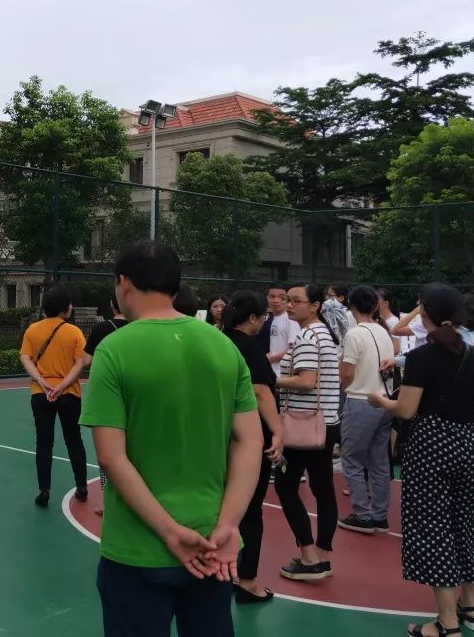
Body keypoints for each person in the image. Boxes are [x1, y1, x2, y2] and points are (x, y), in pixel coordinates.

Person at [81, 241, 262, 637]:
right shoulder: (223, 346)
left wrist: (169, 532)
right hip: (214, 546)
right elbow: (250, 441)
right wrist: (229, 525)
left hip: (137, 549)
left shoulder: (113, 350)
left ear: (123, 283)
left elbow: (111, 457)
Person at [368, 283, 474, 637]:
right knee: (465, 522)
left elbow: (406, 410)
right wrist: (471, 444)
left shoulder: (422, 358)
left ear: (427, 313)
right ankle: (470, 607)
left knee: (432, 528)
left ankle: (446, 623)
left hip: (430, 446)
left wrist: (380, 401)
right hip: (469, 442)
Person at [274, 282, 341, 581]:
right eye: (287, 300)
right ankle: (322, 555)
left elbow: (306, 381)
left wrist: (270, 381)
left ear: (315, 306)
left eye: (296, 301)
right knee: (323, 489)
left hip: (303, 424)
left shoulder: (307, 336)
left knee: (286, 488)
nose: (289, 305)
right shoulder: (323, 333)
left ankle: (309, 556)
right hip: (325, 423)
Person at [222, 290, 283, 604]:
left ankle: (217, 569)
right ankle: (247, 580)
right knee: (249, 509)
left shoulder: (219, 341)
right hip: (248, 437)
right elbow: (260, 392)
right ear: (253, 318)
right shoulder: (248, 347)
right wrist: (278, 431)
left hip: (219, 435)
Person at [19, 285, 89, 508]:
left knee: (44, 442)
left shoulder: (32, 330)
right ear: (64, 308)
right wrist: (62, 386)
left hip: (41, 394)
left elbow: (25, 358)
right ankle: (82, 487)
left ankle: (44, 489)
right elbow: (81, 362)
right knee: (74, 440)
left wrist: (42, 381)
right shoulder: (74, 332)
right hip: (69, 394)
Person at [337, 285, 396, 534]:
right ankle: (379, 515)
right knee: (379, 460)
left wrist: (344, 383)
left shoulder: (354, 334)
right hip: (383, 400)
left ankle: (362, 515)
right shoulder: (383, 331)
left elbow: (347, 373)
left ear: (351, 306)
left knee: (352, 460)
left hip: (361, 400)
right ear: (374, 306)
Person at [82, 297, 129, 515]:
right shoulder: (140, 328)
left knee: (108, 453)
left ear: (112, 305)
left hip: (109, 395)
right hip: (135, 393)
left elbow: (86, 361)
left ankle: (105, 501)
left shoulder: (102, 329)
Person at [259, 283, 300, 376]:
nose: (276, 301)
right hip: (273, 371)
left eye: (281, 297)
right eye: (272, 296)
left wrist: (271, 358)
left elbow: (294, 348)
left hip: (285, 373)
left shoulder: (290, 319)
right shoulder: (273, 319)